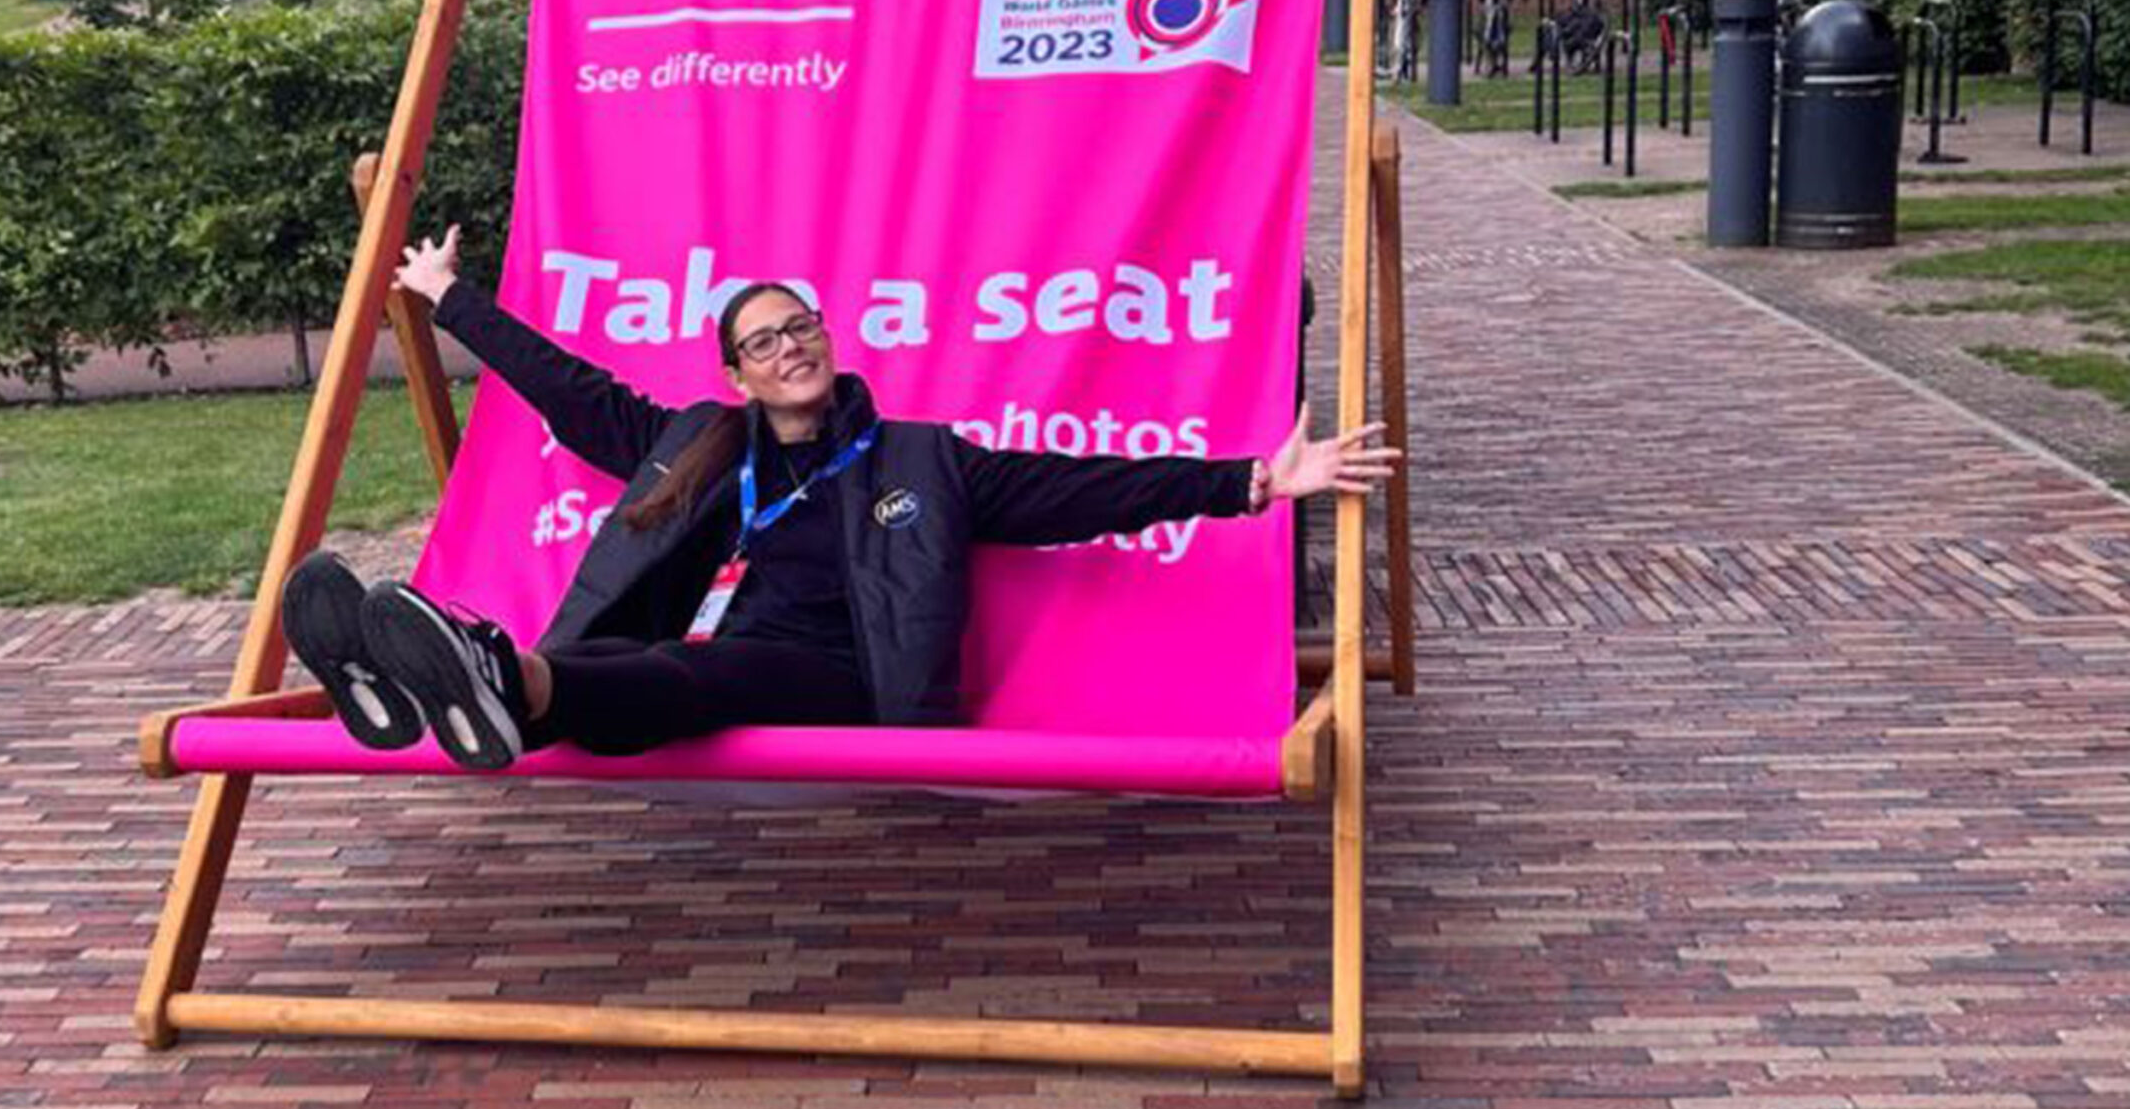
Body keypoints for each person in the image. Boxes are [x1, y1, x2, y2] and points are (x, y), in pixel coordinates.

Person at [281, 226, 1400, 770]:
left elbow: (1079, 489)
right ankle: (443, 686)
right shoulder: (699, 445)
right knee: (631, 660)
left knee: (686, 667)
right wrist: (449, 299)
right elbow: (573, 397)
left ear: (827, 339)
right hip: (711, 656)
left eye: (801, 326)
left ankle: (480, 674)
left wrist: (1257, 480)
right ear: (737, 373)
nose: (790, 347)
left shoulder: (919, 460)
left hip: (845, 673)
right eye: (763, 340)